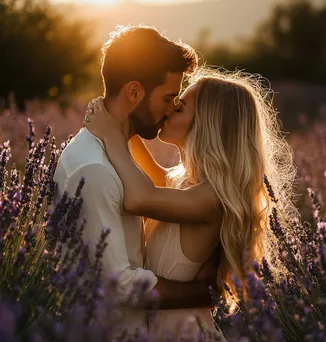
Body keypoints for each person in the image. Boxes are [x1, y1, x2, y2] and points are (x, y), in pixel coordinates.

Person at [84, 67, 297, 336]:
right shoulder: (187, 185)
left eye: (180, 107)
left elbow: (140, 198)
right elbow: (156, 180)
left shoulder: (211, 198)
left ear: (208, 126)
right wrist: (125, 120)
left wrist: (111, 136)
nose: (169, 109)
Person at [52, 25, 219, 335]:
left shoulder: (110, 155)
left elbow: (157, 190)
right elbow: (121, 286)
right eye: (169, 99)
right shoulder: (96, 169)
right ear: (134, 92)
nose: (171, 111)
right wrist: (204, 293)